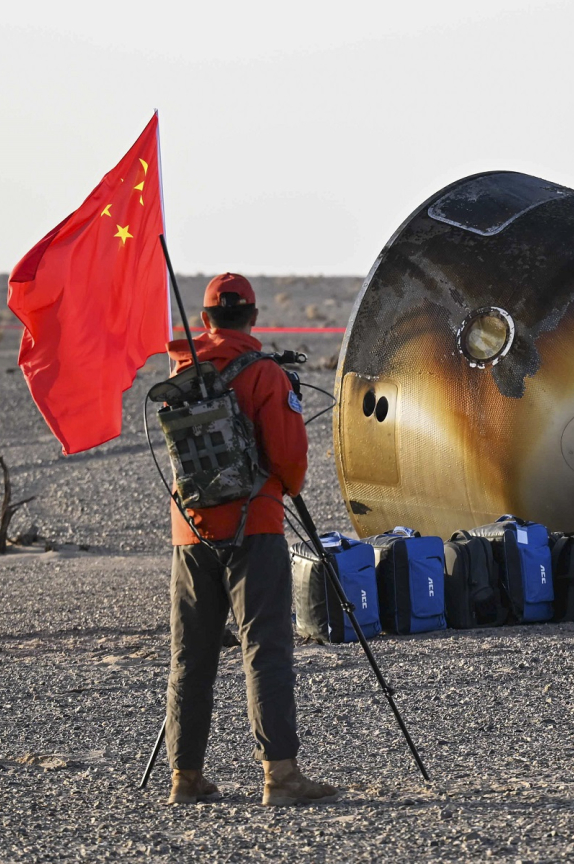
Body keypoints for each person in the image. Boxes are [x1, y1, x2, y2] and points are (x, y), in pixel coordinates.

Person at [163, 273, 336, 806]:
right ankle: (280, 777)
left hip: (190, 529)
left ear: (205, 320)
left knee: (190, 655)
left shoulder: (181, 373)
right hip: (254, 525)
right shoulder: (264, 374)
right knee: (265, 648)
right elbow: (288, 460)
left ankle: (185, 777)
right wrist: (283, 487)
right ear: (253, 317)